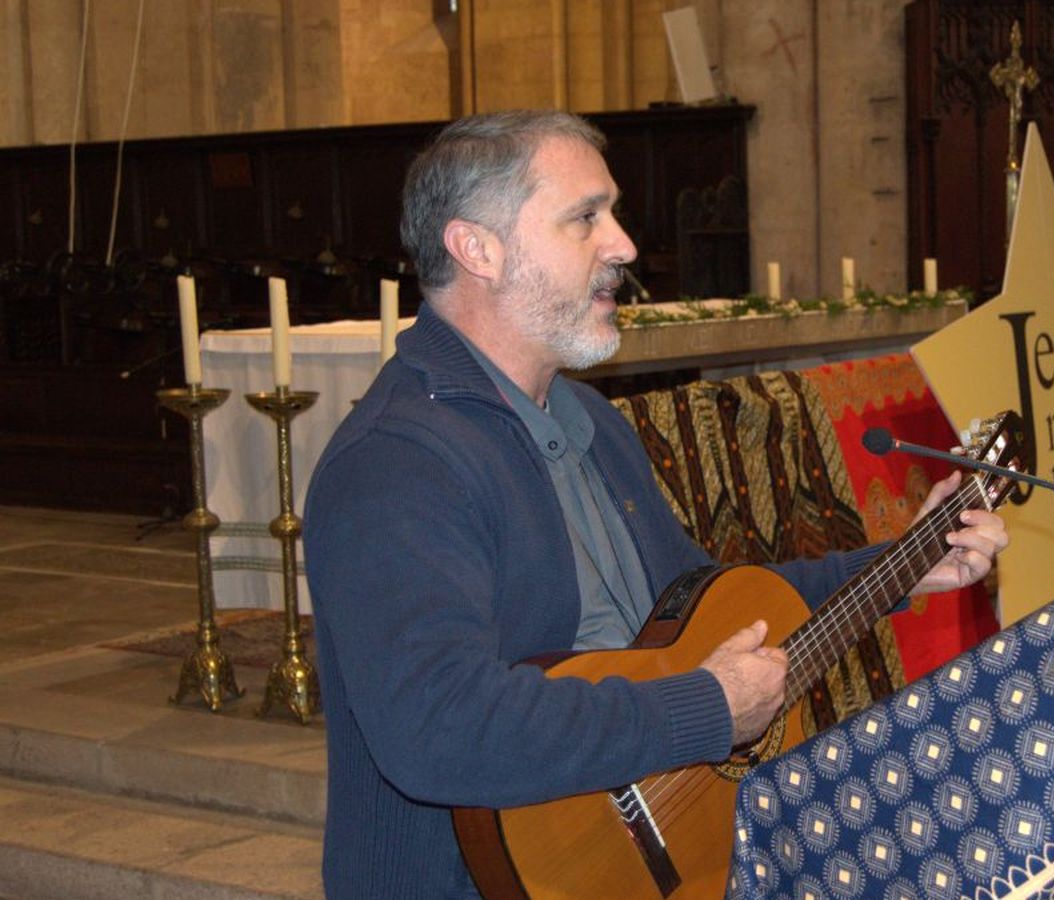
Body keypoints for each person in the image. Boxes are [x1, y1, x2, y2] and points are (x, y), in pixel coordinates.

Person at [303, 110, 1009, 899]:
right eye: (586, 218)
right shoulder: (397, 463)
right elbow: (441, 727)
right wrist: (705, 709)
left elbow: (708, 613)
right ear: (478, 250)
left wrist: (905, 564)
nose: (624, 246)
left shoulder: (588, 420)